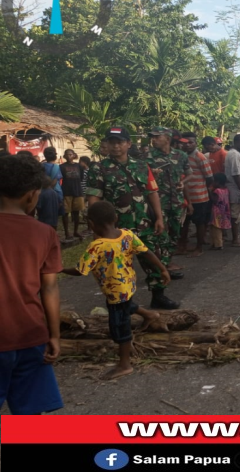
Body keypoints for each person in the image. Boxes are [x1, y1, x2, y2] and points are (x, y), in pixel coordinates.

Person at [61, 201, 167, 379]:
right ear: (116, 218)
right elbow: (146, 252)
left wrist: (61, 268)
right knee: (127, 305)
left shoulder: (97, 246)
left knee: (120, 327)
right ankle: (149, 315)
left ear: (91, 223)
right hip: (128, 285)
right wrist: (162, 269)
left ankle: (124, 364)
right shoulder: (127, 234)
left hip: (116, 293)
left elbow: (80, 270)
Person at [86, 127, 177, 310]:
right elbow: (94, 198)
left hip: (145, 222)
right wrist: (96, 226)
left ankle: (158, 296)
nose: (116, 146)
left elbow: (152, 193)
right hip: (116, 227)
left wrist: (159, 218)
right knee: (119, 266)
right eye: (112, 142)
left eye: (120, 142)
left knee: (154, 257)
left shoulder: (142, 166)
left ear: (128, 144)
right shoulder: (99, 168)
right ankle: (125, 302)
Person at [0, 154, 64, 414]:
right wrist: (54, 335)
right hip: (30, 335)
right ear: (31, 195)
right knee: (29, 415)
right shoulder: (45, 233)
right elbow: (49, 288)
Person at [146, 127, 192, 274]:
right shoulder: (147, 157)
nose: (153, 140)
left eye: (157, 137)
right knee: (161, 234)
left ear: (167, 138)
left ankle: (167, 261)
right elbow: (140, 178)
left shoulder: (181, 155)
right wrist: (152, 175)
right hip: (159, 202)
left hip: (176, 202)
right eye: (152, 137)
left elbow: (189, 173)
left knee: (175, 233)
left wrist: (183, 183)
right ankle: (162, 266)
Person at [179, 132, 214, 257]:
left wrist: (202, 187)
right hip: (183, 197)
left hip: (199, 197)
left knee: (199, 223)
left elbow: (209, 177)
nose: (188, 145)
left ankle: (199, 248)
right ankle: (182, 246)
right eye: (185, 142)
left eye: (191, 142)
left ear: (195, 143)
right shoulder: (180, 156)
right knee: (184, 223)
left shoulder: (200, 157)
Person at [225, 134, 240, 247]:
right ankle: (235, 239)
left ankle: (237, 238)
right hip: (236, 189)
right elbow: (236, 174)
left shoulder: (235, 154)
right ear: (236, 142)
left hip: (238, 187)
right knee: (236, 214)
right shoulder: (234, 155)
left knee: (239, 213)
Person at [59, 149, 84, 240]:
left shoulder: (79, 166)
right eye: (67, 155)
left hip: (77, 192)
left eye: (71, 154)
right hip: (66, 192)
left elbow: (81, 178)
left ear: (74, 155)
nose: (69, 156)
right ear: (65, 156)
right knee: (65, 213)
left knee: (76, 213)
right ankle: (66, 232)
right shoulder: (61, 167)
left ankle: (75, 231)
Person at [41, 147, 63, 229]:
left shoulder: (41, 166)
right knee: (54, 215)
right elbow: (54, 181)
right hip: (55, 192)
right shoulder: (56, 167)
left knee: (43, 214)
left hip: (42, 191)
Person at [209, 173, 231, 250]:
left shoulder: (217, 191)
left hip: (217, 212)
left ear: (217, 182)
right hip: (224, 211)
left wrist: (210, 192)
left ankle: (218, 244)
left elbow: (215, 200)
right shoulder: (226, 190)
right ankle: (215, 243)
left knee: (215, 228)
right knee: (218, 228)